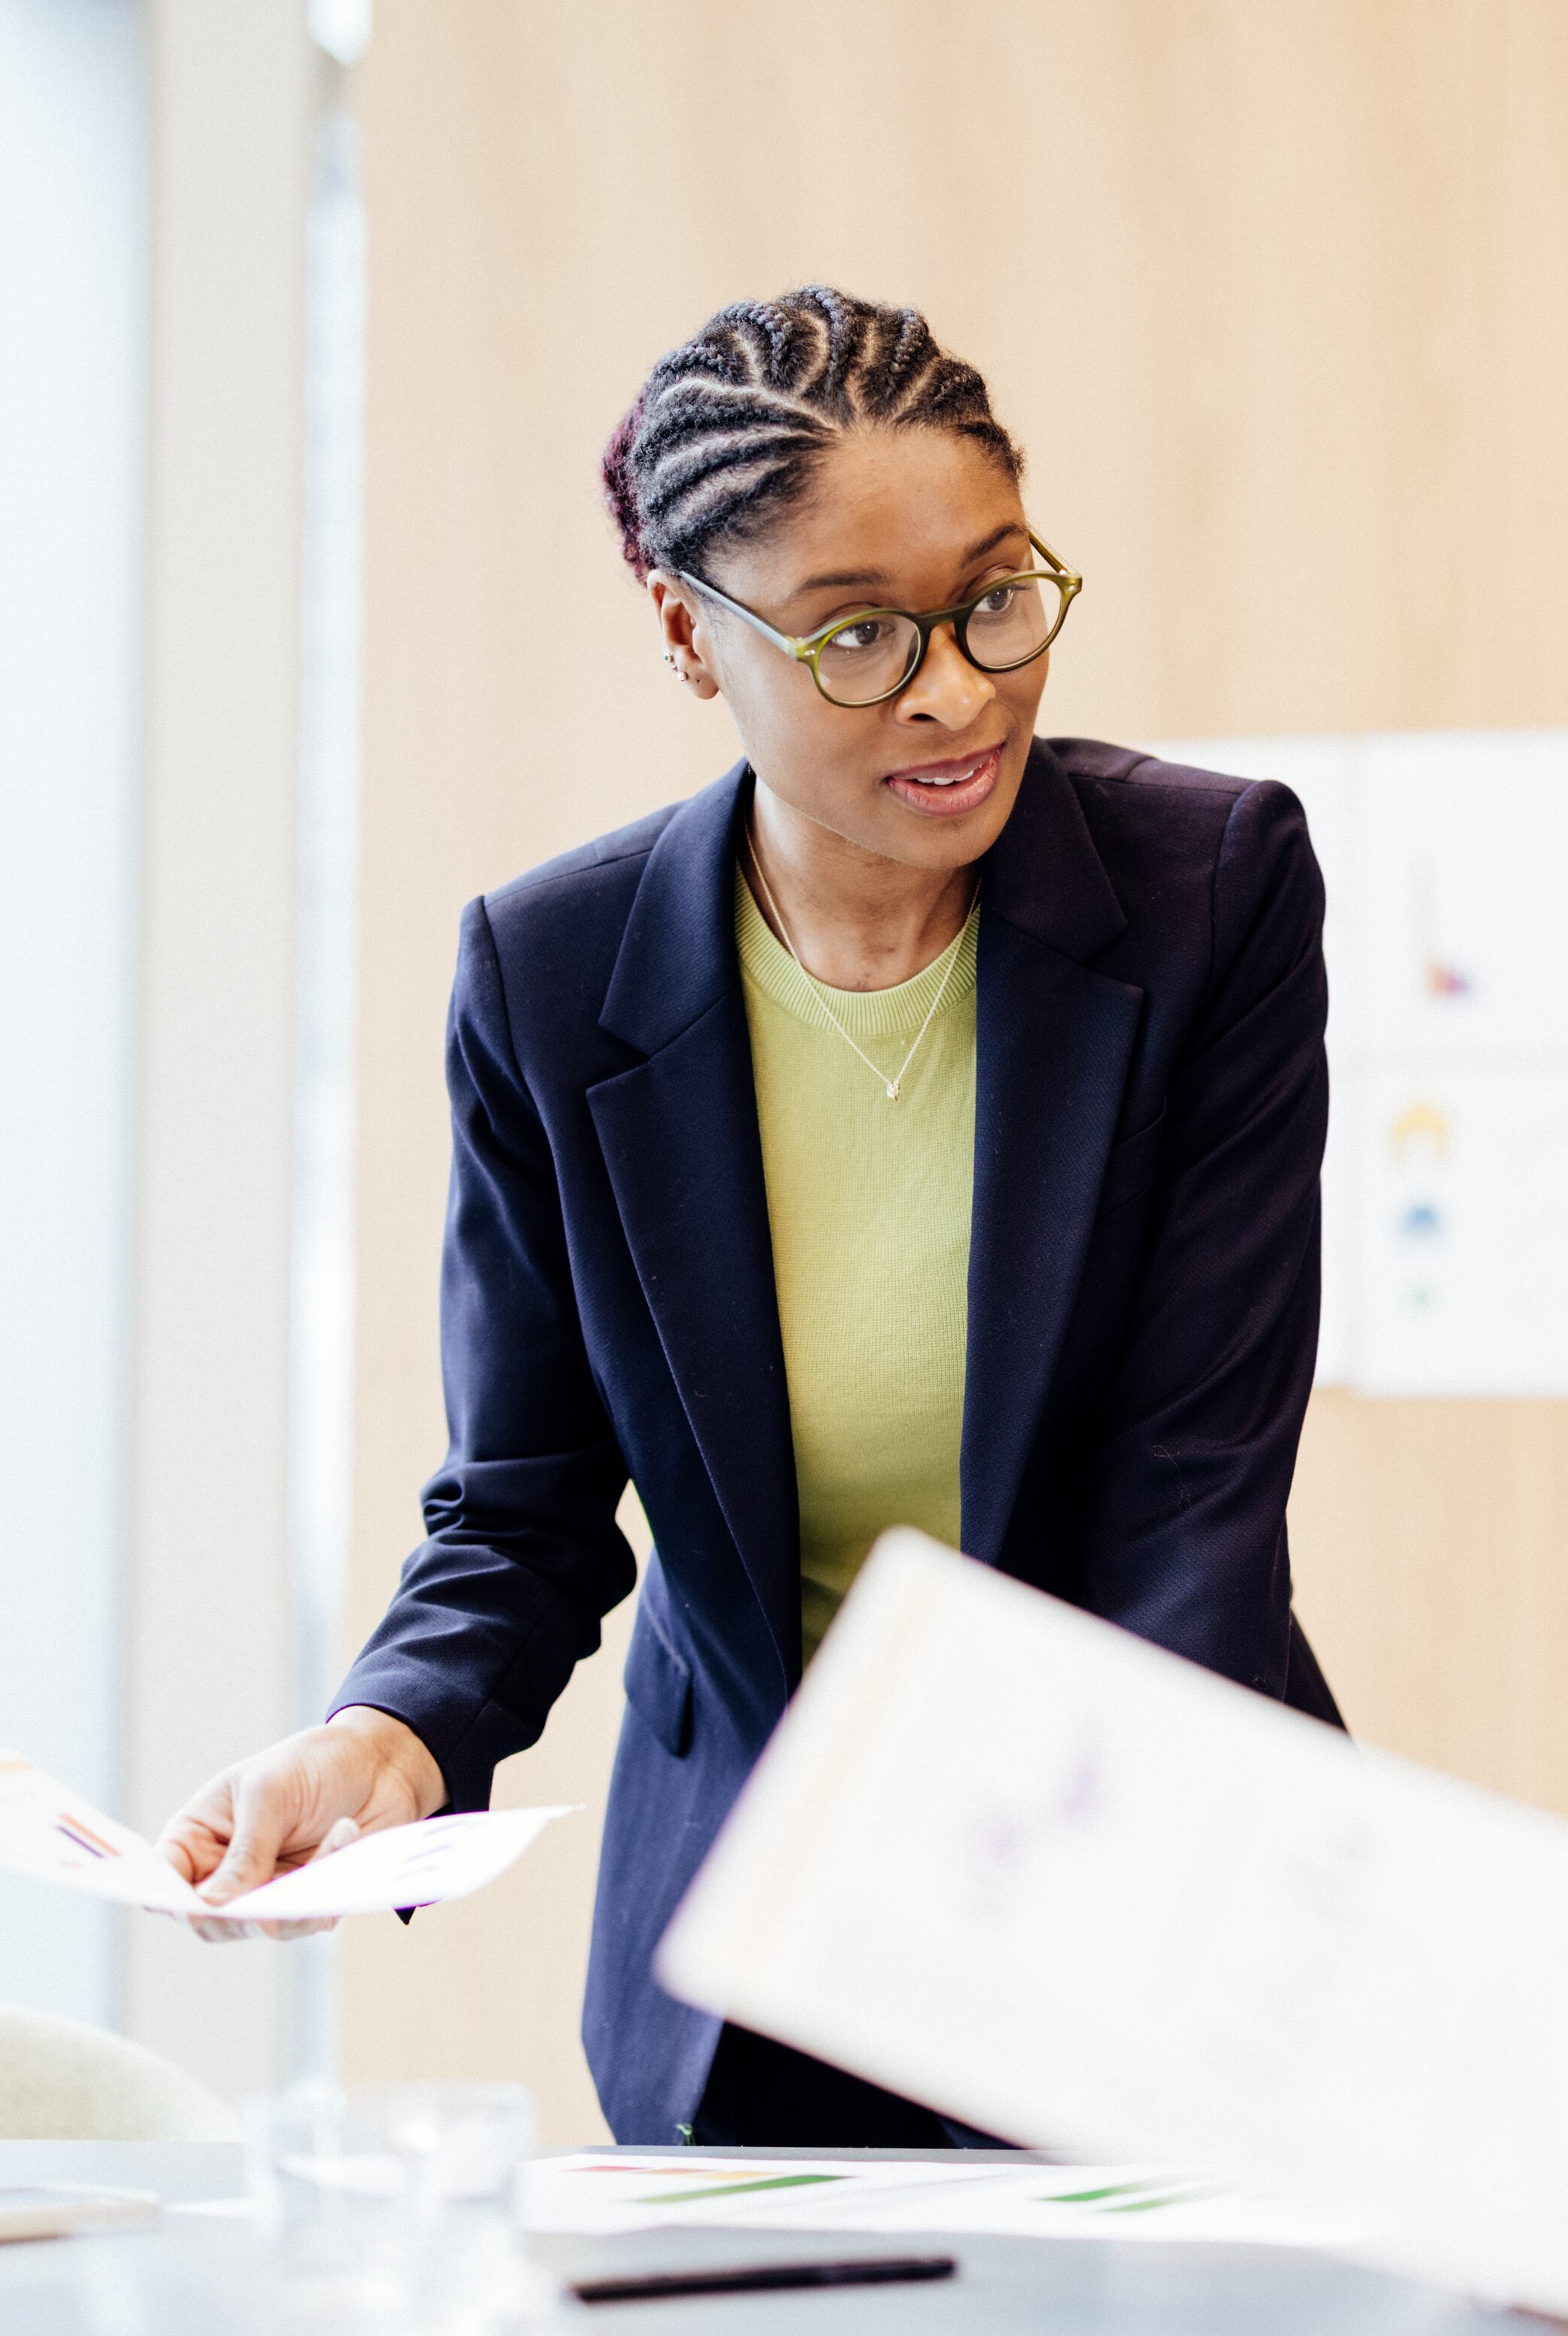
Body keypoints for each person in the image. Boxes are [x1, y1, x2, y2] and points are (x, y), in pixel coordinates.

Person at [153, 288, 1345, 2149]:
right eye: (857, 635)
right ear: (687, 632)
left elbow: (1192, 1491)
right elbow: (523, 1506)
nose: (954, 687)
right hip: (758, 1948)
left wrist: (1101, 1919)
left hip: (1142, 1886)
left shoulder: (1211, 896)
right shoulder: (552, 978)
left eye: (995, 596)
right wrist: (385, 1736)